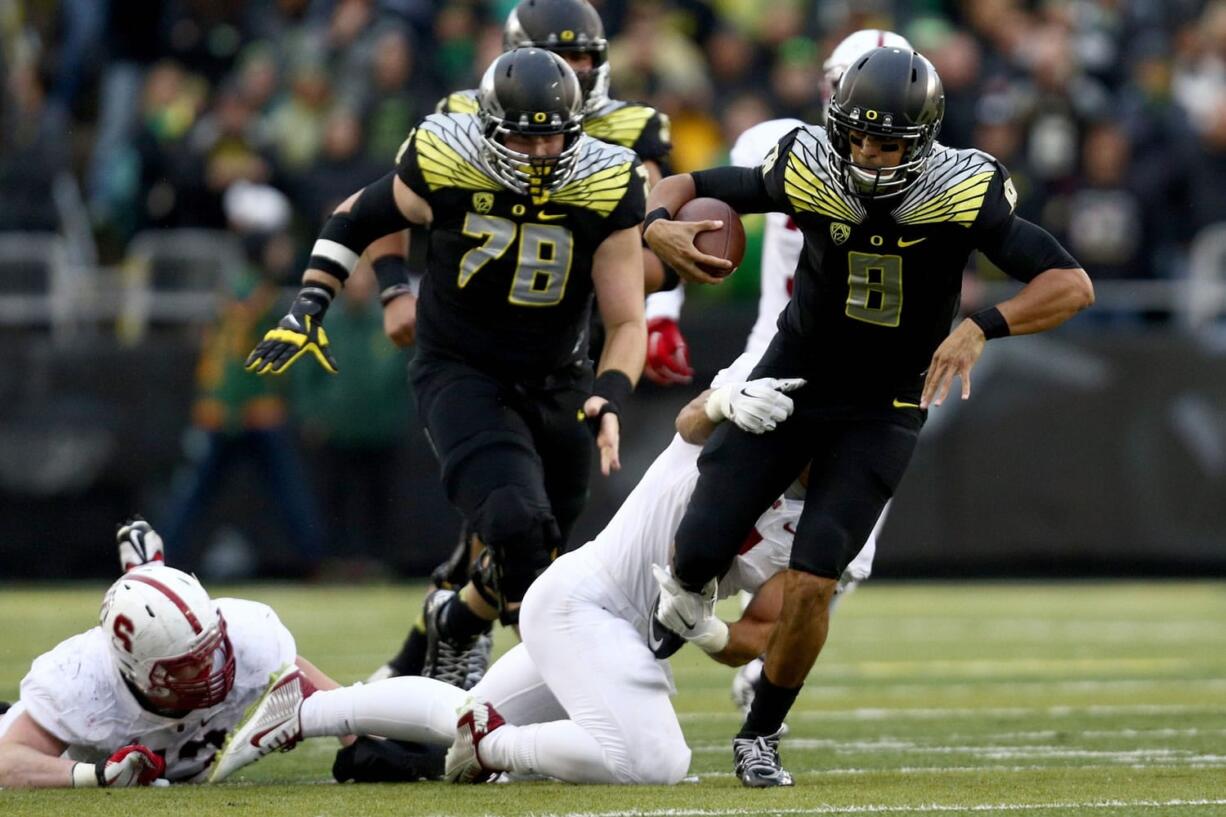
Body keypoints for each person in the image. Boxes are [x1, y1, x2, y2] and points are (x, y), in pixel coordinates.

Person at [642, 46, 1094, 787]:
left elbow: (1070, 283)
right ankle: (688, 594)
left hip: (885, 402)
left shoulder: (962, 187)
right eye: (856, 135)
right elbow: (689, 180)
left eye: (886, 142)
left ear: (923, 139)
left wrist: (985, 325)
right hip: (793, 379)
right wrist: (659, 221)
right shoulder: (809, 163)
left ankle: (761, 732)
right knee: (697, 547)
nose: (866, 153)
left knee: (816, 578)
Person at [244, 47, 647, 692]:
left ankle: (444, 634)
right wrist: (314, 303)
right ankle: (541, 690)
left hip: (559, 380)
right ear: (490, 128)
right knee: (518, 529)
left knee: (543, 554)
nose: (542, 153)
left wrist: (610, 393)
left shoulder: (607, 179)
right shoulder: (446, 154)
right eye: (525, 136)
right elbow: (357, 216)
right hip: (463, 370)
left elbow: (628, 320)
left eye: (554, 135)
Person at [204, 369, 824, 786]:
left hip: (614, 636)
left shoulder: (825, 520)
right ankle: (493, 749)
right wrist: (721, 402)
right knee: (655, 760)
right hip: (586, 602)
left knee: (467, 714)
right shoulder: (760, 411)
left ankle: (307, 707)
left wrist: (711, 633)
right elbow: (691, 422)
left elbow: (764, 629)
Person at [369, 0, 678, 691]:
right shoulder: (459, 121)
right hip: (479, 347)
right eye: (551, 56)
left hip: (575, 348)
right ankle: (469, 677)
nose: (568, 71)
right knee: (510, 523)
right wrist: (395, 288)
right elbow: (373, 208)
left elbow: (648, 256)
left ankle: (441, 643)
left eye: (581, 57)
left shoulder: (630, 134)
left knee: (541, 537)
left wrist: (654, 249)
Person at [724, 27, 913, 712]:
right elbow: (700, 205)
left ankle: (750, 658)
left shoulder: (934, 178)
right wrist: (661, 307)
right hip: (771, 364)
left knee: (835, 562)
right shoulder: (784, 148)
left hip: (860, 379)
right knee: (702, 535)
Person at [0, 519, 337, 788]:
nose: (210, 666)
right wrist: (98, 775)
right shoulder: (80, 678)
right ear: (139, 671)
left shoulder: (242, 633)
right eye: (188, 665)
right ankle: (145, 569)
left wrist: (363, 739)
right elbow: (7, 762)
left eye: (211, 648)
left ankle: (146, 570)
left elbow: (330, 698)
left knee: (171, 625)